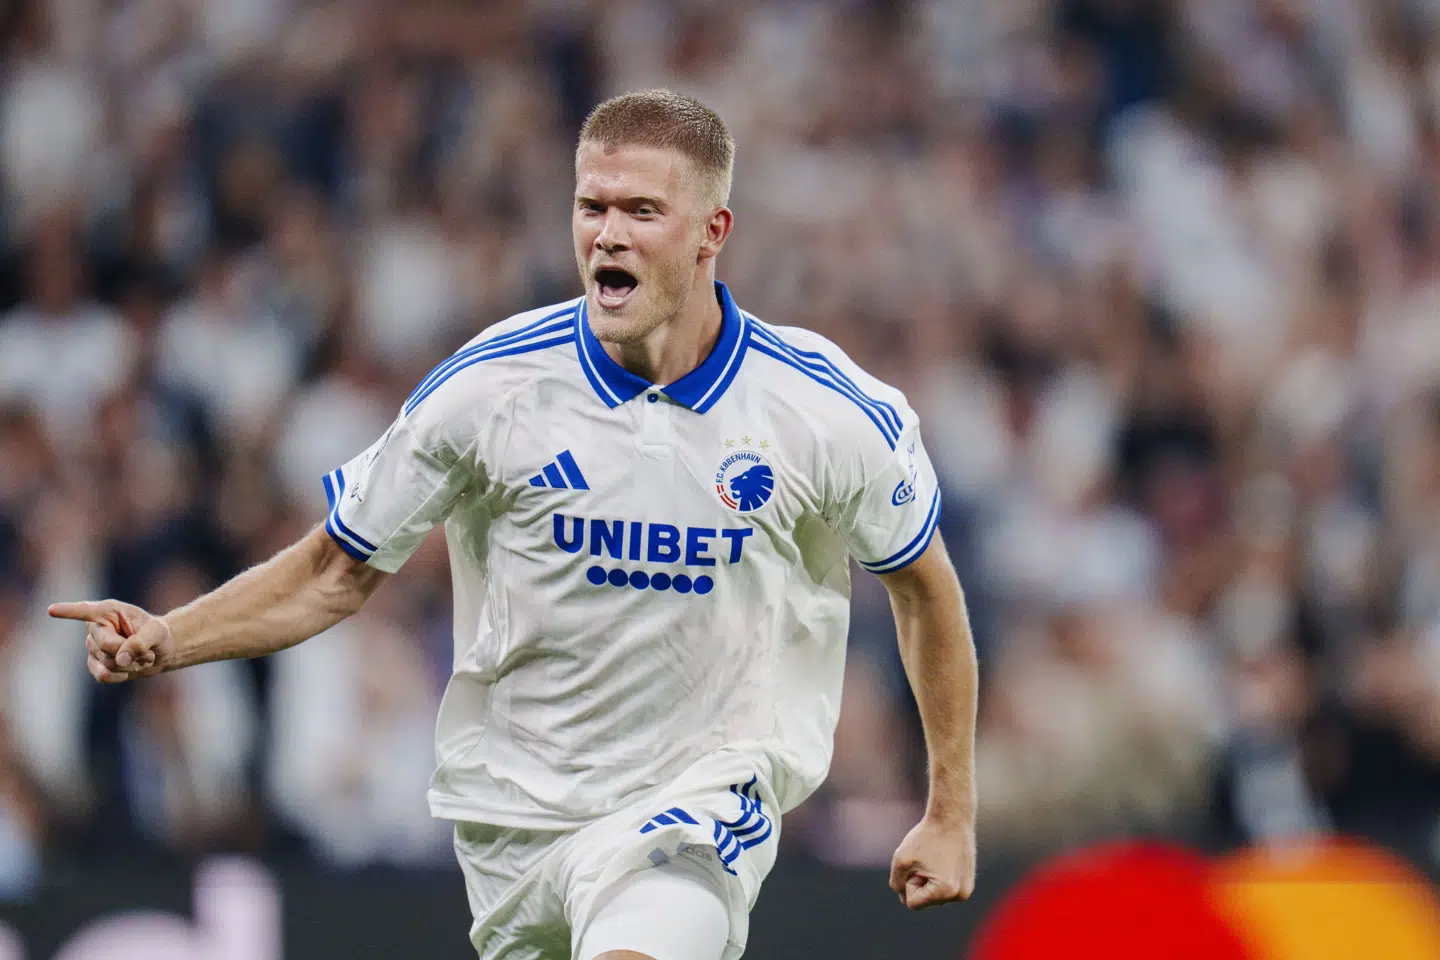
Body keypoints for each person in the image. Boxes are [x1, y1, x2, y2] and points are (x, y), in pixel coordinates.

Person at [50, 89, 979, 960]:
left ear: (712, 233)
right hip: (514, 821)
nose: (607, 234)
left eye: (641, 212)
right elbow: (336, 571)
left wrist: (950, 808)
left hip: (698, 804)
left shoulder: (820, 410)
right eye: (592, 207)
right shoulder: (491, 389)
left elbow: (923, 589)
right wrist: (172, 638)